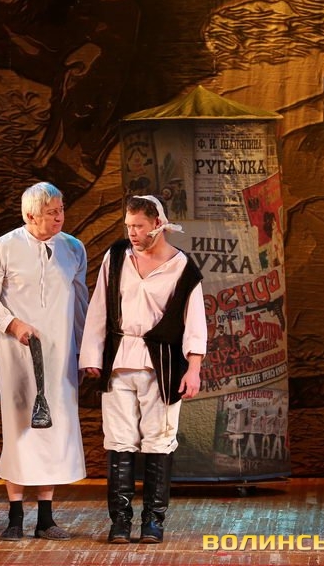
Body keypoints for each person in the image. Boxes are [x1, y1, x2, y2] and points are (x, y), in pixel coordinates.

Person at [80, 195, 207, 544]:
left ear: (157, 225)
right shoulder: (117, 257)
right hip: (120, 360)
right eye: (128, 226)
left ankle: (153, 521)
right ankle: (120, 521)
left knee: (159, 439)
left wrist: (193, 368)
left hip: (161, 364)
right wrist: (92, 354)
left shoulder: (182, 268)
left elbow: (195, 321)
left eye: (138, 226)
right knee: (118, 440)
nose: (132, 233)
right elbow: (100, 306)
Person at [0, 182, 89, 541]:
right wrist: (13, 323)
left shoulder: (73, 248)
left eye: (61, 209)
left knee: (54, 430)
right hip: (19, 355)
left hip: (60, 354)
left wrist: (84, 352)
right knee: (20, 429)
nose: (60, 216)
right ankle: (15, 516)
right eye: (51, 211)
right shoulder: (2, 248)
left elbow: (80, 303)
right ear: (29, 215)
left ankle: (46, 519)